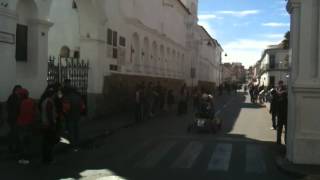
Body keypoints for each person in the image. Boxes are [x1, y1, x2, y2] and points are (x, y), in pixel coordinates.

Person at [16, 88, 36, 165]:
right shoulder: (32, 101)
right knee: (28, 141)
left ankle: (22, 158)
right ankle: (27, 157)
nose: (18, 96)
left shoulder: (19, 103)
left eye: (19, 95)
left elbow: (17, 113)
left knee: (22, 141)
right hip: (29, 124)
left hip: (21, 124)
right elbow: (34, 112)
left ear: (22, 95)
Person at [40, 87, 59, 164]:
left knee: (46, 142)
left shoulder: (44, 101)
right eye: (54, 94)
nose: (55, 96)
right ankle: (48, 159)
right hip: (49, 124)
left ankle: (46, 158)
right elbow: (49, 114)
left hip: (45, 123)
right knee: (49, 142)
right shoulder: (49, 102)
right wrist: (52, 124)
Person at [63, 80, 83, 151]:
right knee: (77, 130)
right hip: (77, 116)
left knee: (70, 131)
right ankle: (77, 144)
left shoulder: (67, 97)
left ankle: (72, 145)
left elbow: (66, 109)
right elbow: (82, 107)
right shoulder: (78, 97)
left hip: (70, 116)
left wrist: (64, 114)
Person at [6, 85, 22, 153]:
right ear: (16, 90)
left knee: (14, 133)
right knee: (14, 133)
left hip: (13, 118)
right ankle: (14, 147)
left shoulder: (13, 96)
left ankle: (14, 147)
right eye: (19, 90)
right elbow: (15, 108)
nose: (20, 91)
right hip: (14, 118)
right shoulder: (14, 97)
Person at [276, 81, 288, 145]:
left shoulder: (282, 93)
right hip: (283, 114)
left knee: (282, 128)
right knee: (281, 129)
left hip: (283, 114)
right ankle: (280, 141)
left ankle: (280, 141)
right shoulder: (284, 95)